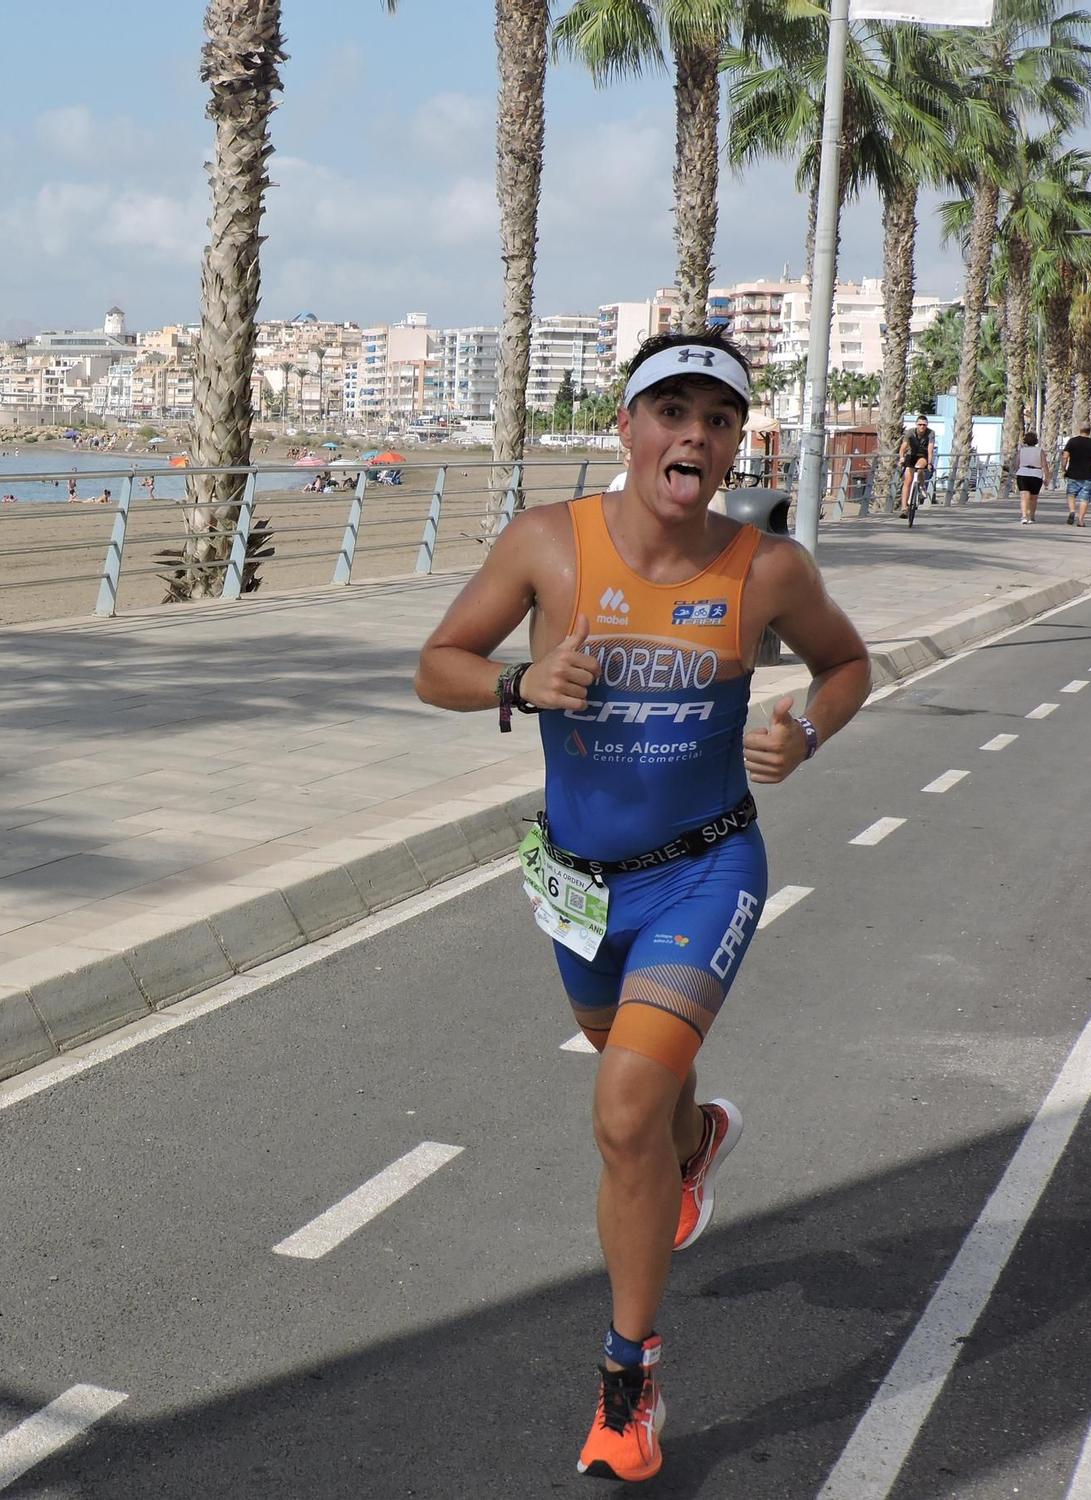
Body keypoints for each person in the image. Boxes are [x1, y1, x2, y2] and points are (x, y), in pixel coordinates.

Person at [414, 329, 871, 1483]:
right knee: (643, 1094)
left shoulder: (764, 568)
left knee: (620, 1114)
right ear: (625, 429)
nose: (693, 435)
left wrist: (802, 731)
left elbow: (845, 664)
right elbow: (436, 665)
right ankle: (697, 1138)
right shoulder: (544, 548)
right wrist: (517, 683)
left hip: (705, 865)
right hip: (576, 882)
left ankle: (628, 1383)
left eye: (715, 419)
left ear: (730, 447)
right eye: (669, 411)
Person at [1060, 424, 1091, 527]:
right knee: (1085, 498)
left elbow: (1065, 456)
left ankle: (1072, 510)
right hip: (1088, 475)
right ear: (1089, 431)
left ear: (1080, 429)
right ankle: (1081, 520)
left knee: (1071, 494)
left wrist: (1064, 468)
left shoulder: (1072, 441)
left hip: (1073, 472)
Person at [898, 415, 935, 513]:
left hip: (923, 456)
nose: (922, 426)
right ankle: (904, 507)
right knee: (907, 482)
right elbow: (903, 448)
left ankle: (922, 486)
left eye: (924, 425)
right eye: (920, 424)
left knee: (920, 467)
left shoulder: (930, 433)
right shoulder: (910, 432)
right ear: (916, 424)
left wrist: (930, 463)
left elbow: (930, 449)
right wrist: (902, 458)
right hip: (911, 455)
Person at [1012, 431, 1047, 523]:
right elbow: (1044, 465)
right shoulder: (1040, 451)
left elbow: (1017, 464)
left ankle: (1024, 516)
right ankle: (1031, 516)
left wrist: (1016, 473)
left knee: (1024, 496)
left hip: (1023, 473)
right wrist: (1047, 477)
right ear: (1036, 441)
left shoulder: (1021, 451)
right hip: (1036, 474)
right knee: (1033, 497)